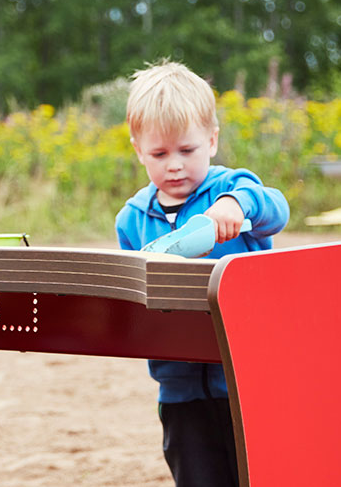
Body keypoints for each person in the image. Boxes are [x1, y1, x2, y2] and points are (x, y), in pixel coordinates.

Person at [114, 59, 290, 487]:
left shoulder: (231, 189)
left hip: (245, 381)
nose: (174, 165)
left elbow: (275, 207)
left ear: (211, 141)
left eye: (187, 151)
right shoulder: (133, 220)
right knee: (197, 476)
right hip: (179, 387)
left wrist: (235, 206)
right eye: (159, 154)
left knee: (260, 475)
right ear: (139, 150)